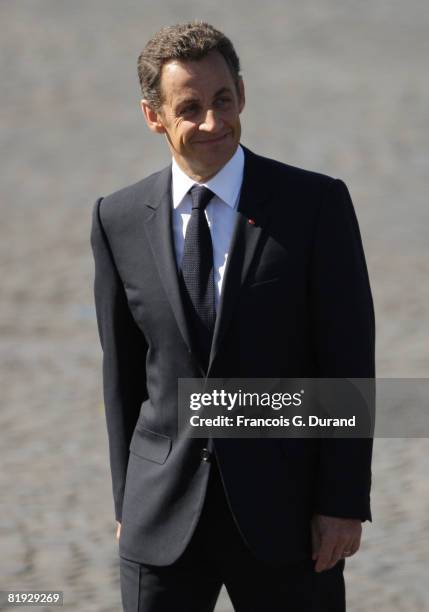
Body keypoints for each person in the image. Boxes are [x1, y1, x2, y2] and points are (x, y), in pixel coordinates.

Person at [90, 21, 375, 612]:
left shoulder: (314, 205)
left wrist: (342, 502)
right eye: (189, 108)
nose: (213, 122)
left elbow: (347, 360)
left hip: (289, 518)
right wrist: (128, 505)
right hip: (161, 519)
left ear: (242, 94)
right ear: (154, 116)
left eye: (223, 100)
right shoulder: (116, 219)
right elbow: (121, 377)